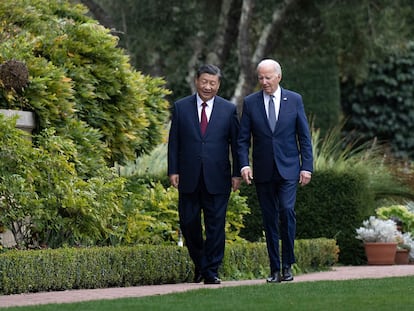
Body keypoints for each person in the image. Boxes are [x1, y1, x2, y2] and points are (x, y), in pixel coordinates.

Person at [237, 59, 313, 283]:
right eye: (260, 77)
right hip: (263, 170)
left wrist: (306, 166)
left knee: (287, 211)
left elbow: (304, 137)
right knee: (269, 219)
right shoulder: (250, 103)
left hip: (289, 168)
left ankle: (288, 264)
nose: (264, 82)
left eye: (268, 77)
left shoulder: (294, 100)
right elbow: (242, 140)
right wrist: (244, 164)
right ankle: (274, 269)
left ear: (279, 77)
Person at [168, 64, 241, 285]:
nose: (208, 87)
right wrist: (173, 170)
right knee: (188, 223)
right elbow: (174, 142)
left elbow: (236, 145)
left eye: (213, 83)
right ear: (196, 81)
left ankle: (210, 271)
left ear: (218, 84)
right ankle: (201, 263)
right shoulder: (181, 107)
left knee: (215, 226)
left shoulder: (228, 109)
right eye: (204, 82)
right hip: (189, 177)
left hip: (218, 177)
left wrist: (237, 173)